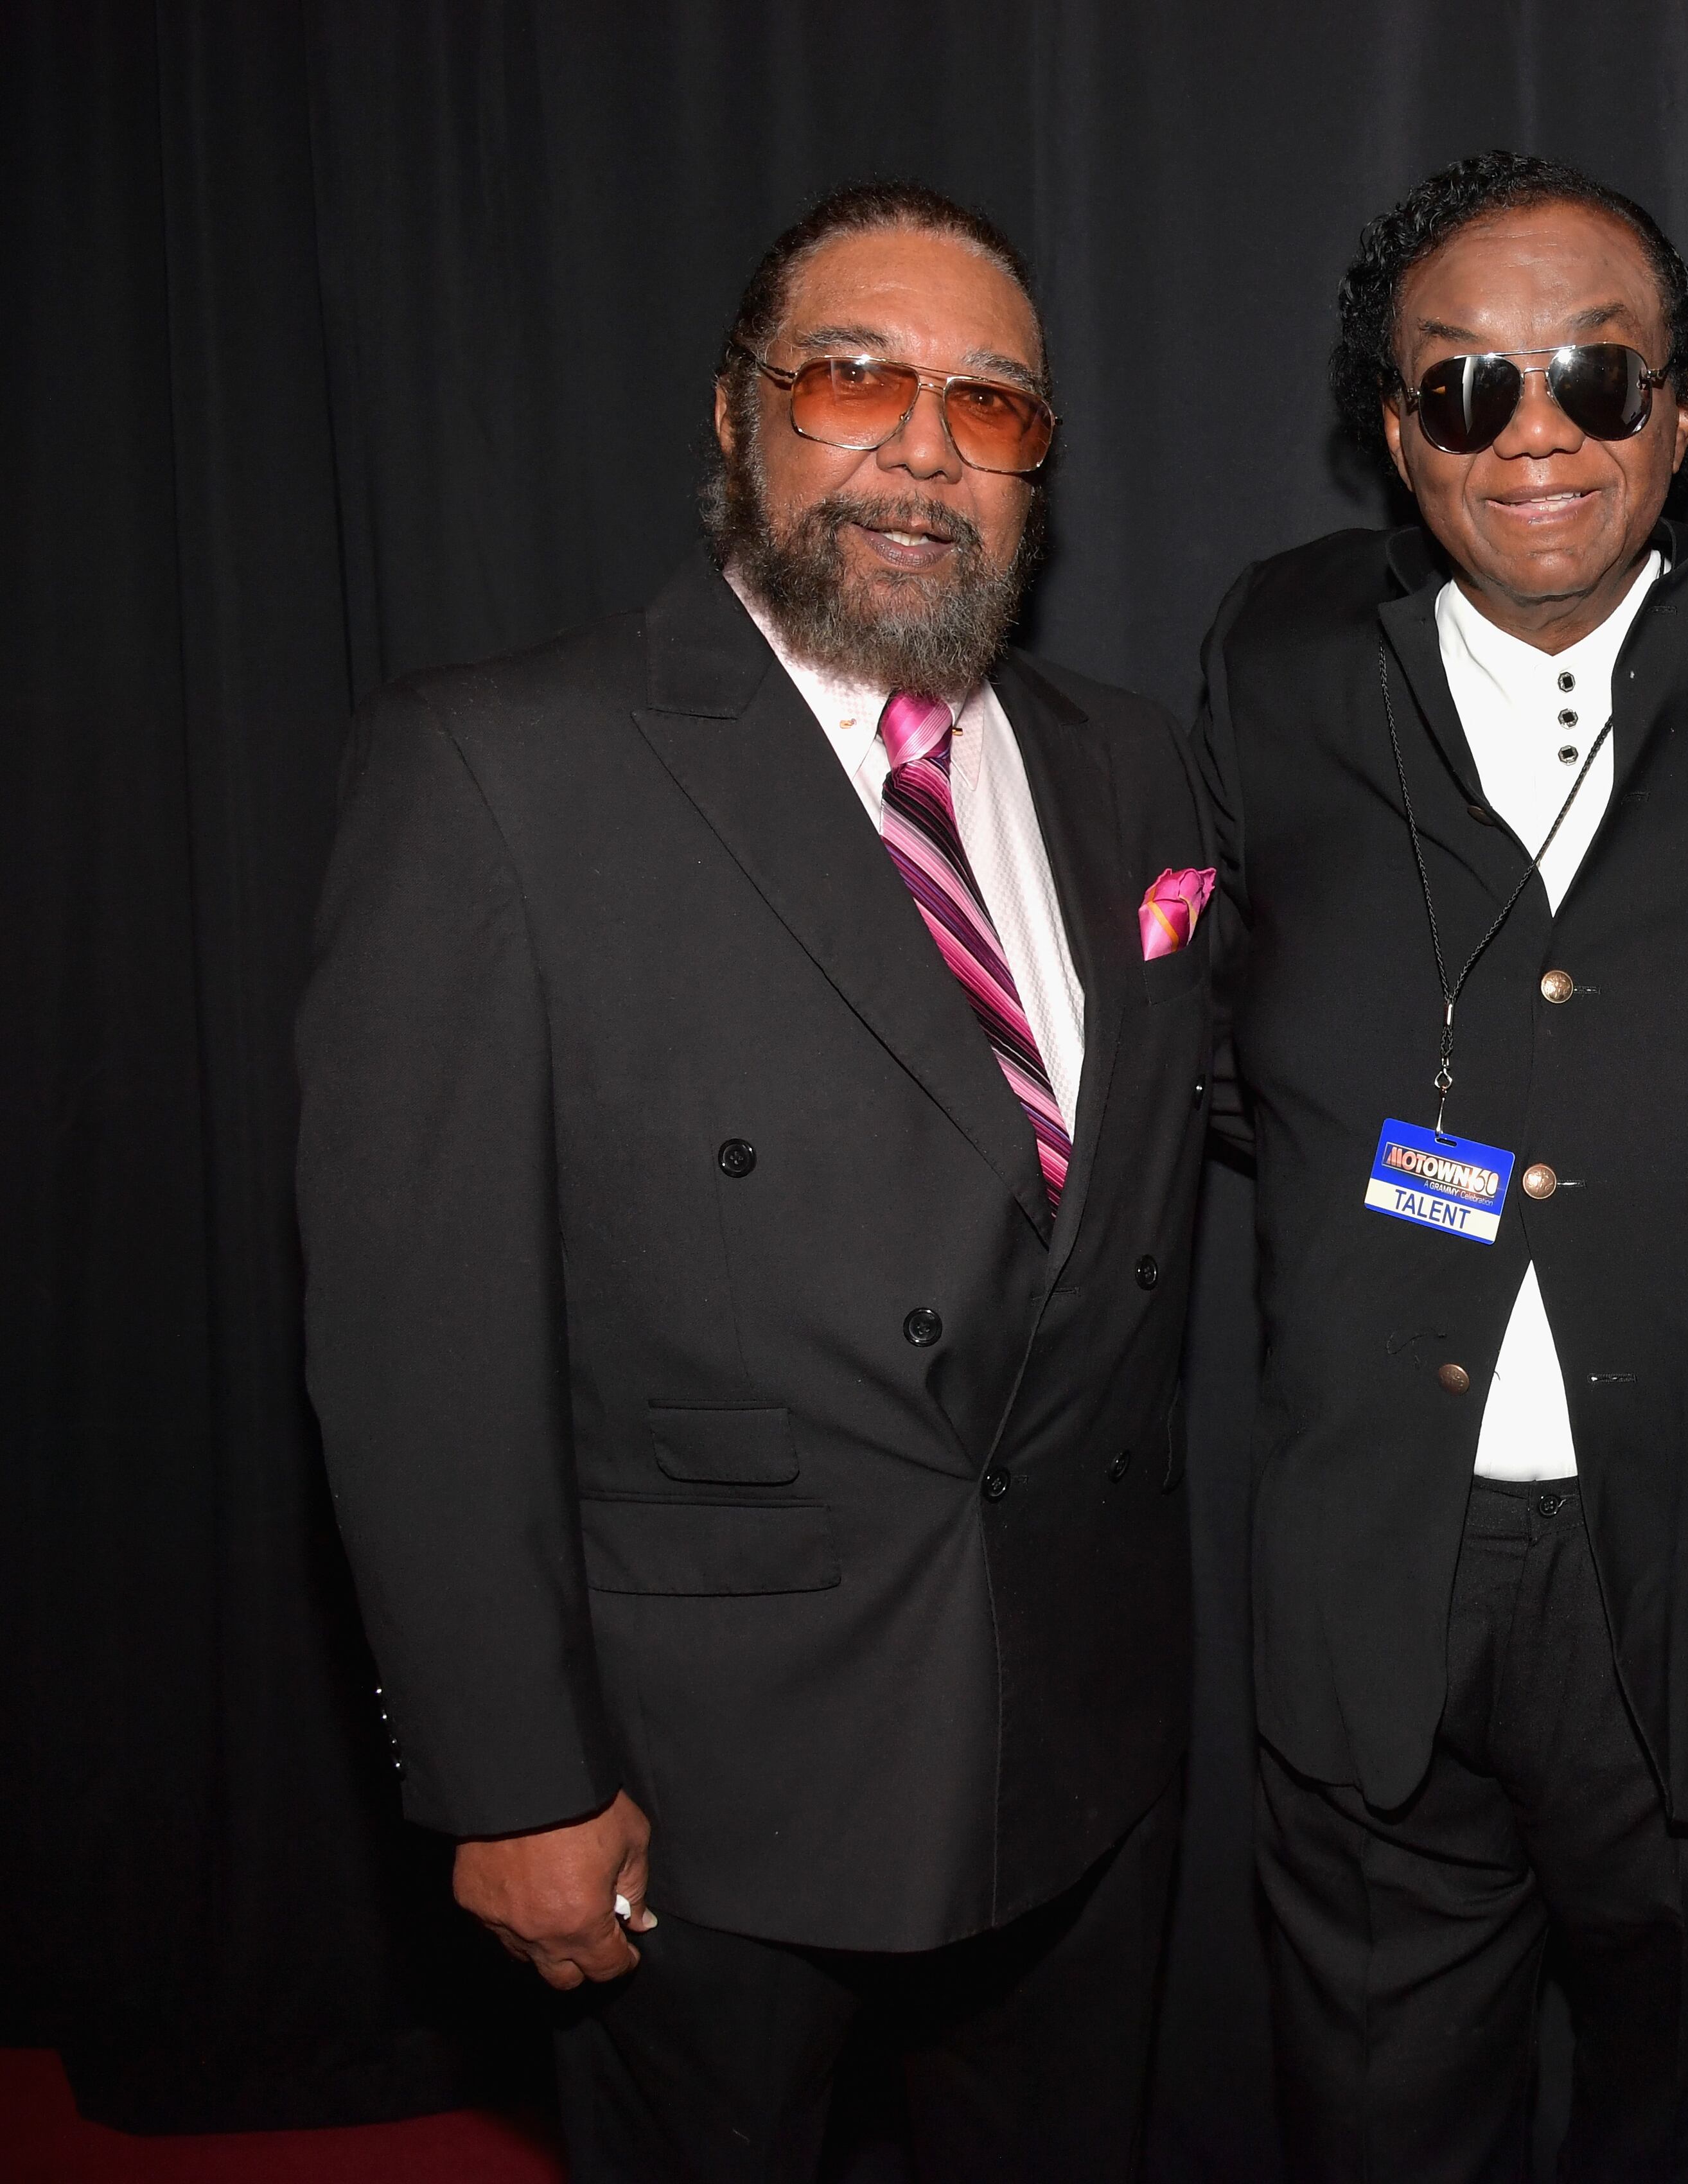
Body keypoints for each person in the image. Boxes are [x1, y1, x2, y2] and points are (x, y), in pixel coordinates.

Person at [295, 181, 1217, 2182]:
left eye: (991, 404)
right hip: (707, 1777)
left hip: (1081, 1739)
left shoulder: (1131, 765)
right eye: (853, 379)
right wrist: (513, 1778)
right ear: (736, 415)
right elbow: (414, 1346)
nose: (925, 449)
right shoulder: (499, 768)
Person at [1190, 150, 1688, 2182]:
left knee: (1683, 2128)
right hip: (1378, 1574)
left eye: (1597, 376)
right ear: (1397, 434)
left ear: (1683, 406)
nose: (1535, 432)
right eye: (1467, 386)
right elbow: (1216, 1043)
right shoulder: (1273, 656)